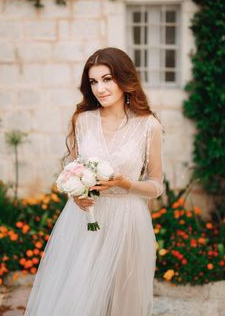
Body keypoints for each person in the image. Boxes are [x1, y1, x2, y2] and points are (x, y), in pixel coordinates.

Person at [24, 47, 164, 316]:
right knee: (81, 300)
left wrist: (126, 184)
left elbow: (156, 185)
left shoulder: (148, 126)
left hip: (128, 223)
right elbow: (72, 172)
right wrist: (74, 194)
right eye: (93, 81)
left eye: (107, 79)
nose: (100, 88)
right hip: (86, 222)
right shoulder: (83, 121)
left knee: (124, 301)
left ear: (124, 79)